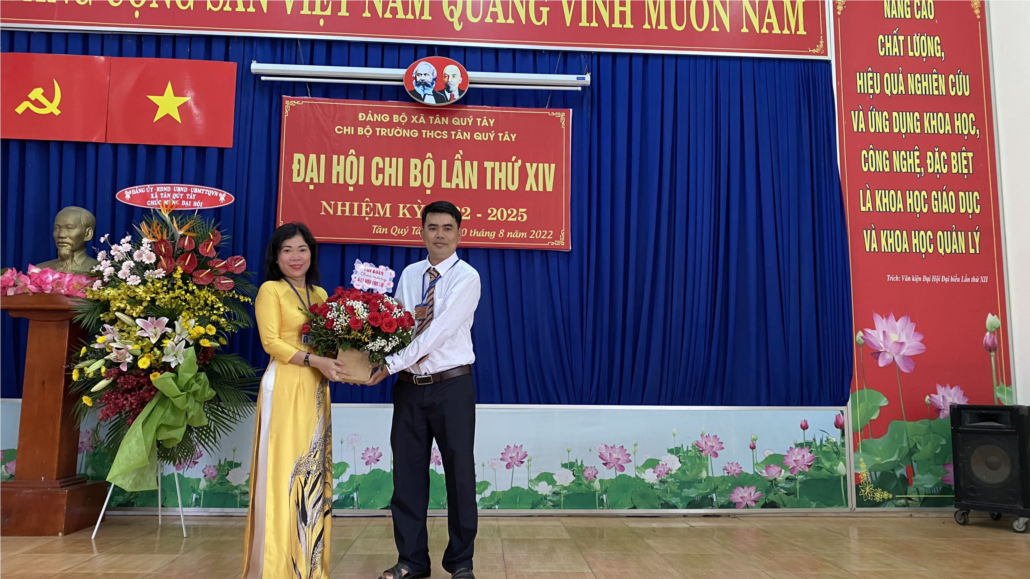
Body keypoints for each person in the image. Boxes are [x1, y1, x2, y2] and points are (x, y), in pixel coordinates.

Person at [367, 201, 482, 579]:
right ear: (421, 232)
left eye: (448, 228)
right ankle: (412, 560)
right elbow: (397, 326)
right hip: (408, 389)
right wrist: (370, 351)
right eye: (433, 227)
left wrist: (388, 365)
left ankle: (461, 562)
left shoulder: (467, 278)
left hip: (452, 387)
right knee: (407, 477)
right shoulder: (410, 274)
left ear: (459, 233)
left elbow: (437, 333)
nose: (440, 235)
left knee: (460, 475)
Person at [242, 222, 347, 579]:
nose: (296, 257)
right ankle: (276, 567)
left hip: (316, 386)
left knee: (313, 473)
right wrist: (315, 360)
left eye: (302, 249)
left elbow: (330, 344)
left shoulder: (319, 294)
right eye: (287, 250)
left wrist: (354, 359)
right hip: (286, 383)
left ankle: (309, 566)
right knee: (284, 471)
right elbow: (271, 342)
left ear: (311, 253)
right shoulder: (270, 290)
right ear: (276, 257)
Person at [37, 206, 100, 274]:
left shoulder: (100, 272)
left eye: (70, 228)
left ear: (87, 234)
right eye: (57, 228)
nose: (61, 235)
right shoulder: (39, 270)